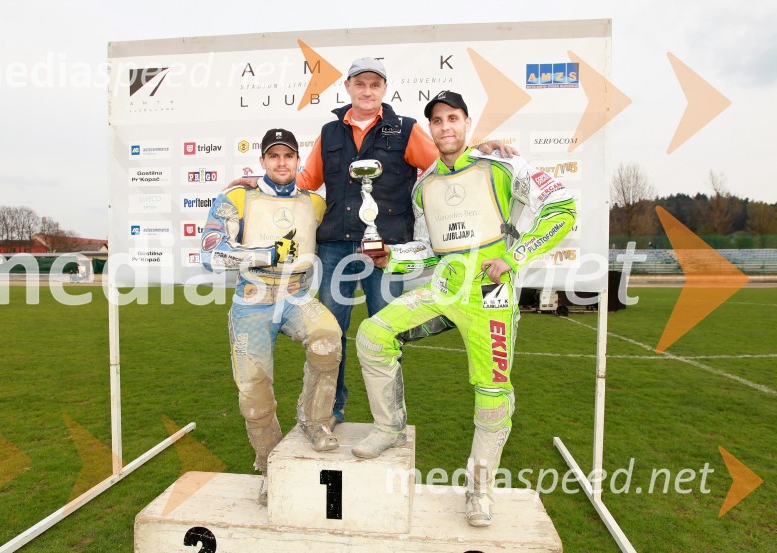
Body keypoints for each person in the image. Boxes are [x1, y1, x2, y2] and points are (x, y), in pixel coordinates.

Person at [228, 58, 518, 425]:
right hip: (335, 247)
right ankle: (332, 410)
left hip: (386, 250)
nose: (367, 91)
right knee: (330, 335)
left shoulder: (407, 129)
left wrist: (480, 148)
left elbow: (449, 162)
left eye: (375, 85)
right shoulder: (329, 132)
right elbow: (304, 181)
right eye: (360, 84)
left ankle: (389, 421)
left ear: (384, 90)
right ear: (348, 87)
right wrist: (261, 180)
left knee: (385, 332)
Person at [350, 91, 577, 528]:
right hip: (443, 288)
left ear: (466, 122)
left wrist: (513, 257)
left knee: (492, 392)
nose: (445, 127)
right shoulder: (424, 186)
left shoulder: (505, 165)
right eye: (437, 120)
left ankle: (479, 488)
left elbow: (562, 209)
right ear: (430, 129)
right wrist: (390, 258)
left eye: (453, 118)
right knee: (372, 334)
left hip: (491, 295)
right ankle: (390, 426)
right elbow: (429, 251)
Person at [200, 128, 342, 506]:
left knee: (328, 338)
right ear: (262, 160)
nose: (282, 162)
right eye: (274, 156)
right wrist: (264, 254)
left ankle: (314, 421)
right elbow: (210, 255)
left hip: (295, 296)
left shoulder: (315, 202)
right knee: (254, 397)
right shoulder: (238, 196)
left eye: (289, 156)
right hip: (253, 300)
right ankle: (269, 470)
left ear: (298, 160)